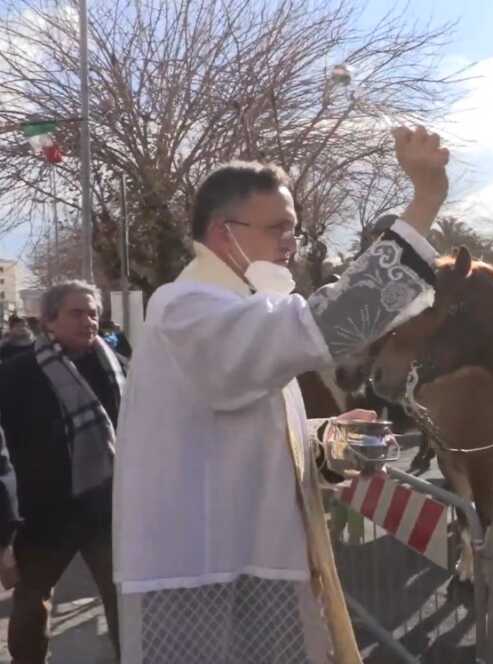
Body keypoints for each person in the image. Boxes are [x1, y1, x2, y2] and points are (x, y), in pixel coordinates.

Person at [113, 126, 448, 664]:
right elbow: (329, 324)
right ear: (224, 232)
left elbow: (239, 437)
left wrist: (326, 443)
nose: (292, 243)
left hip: (250, 564)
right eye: (278, 228)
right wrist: (425, 202)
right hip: (209, 580)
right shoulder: (188, 308)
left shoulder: (235, 309)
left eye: (293, 228)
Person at [0, 281, 126, 663]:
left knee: (123, 601)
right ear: (49, 321)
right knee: (30, 604)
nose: (89, 321)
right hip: (44, 514)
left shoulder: (117, 367)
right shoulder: (16, 374)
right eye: (77, 313)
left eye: (93, 313)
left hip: (106, 510)